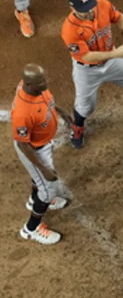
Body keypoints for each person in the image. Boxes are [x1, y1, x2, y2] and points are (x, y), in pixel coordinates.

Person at [61, 0, 123, 149]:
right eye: (83, 11)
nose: (88, 12)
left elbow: (117, 17)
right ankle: (78, 128)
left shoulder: (102, 5)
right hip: (87, 70)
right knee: (85, 106)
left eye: (90, 7)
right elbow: (87, 56)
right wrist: (116, 54)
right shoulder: (69, 30)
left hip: (112, 57)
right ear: (72, 9)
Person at [11, 64, 73, 245]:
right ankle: (31, 229)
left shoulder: (36, 89)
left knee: (41, 185)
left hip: (43, 143)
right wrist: (43, 168)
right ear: (29, 85)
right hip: (34, 151)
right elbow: (23, 145)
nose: (46, 82)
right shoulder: (23, 113)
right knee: (48, 189)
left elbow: (47, 101)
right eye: (41, 81)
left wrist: (60, 112)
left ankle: (33, 200)